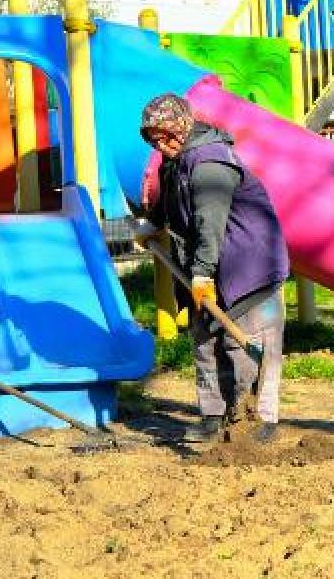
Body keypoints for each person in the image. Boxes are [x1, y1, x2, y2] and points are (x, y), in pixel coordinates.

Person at [134, 93, 290, 443]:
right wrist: (153, 223)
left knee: (248, 348)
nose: (162, 142)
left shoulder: (209, 163)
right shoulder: (174, 160)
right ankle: (213, 416)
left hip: (249, 268)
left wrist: (202, 272)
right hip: (210, 269)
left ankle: (258, 420)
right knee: (205, 343)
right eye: (154, 137)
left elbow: (210, 223)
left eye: (167, 133)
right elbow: (172, 198)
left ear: (184, 126)